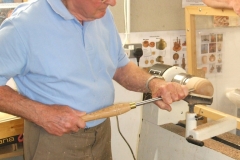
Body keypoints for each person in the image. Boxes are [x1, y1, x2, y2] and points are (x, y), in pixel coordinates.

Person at [0, 0, 189, 159]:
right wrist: (42, 114)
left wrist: (154, 83)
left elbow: (120, 67)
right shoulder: (24, 25)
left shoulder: (102, 16)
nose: (113, 2)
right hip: (54, 137)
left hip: (101, 131)